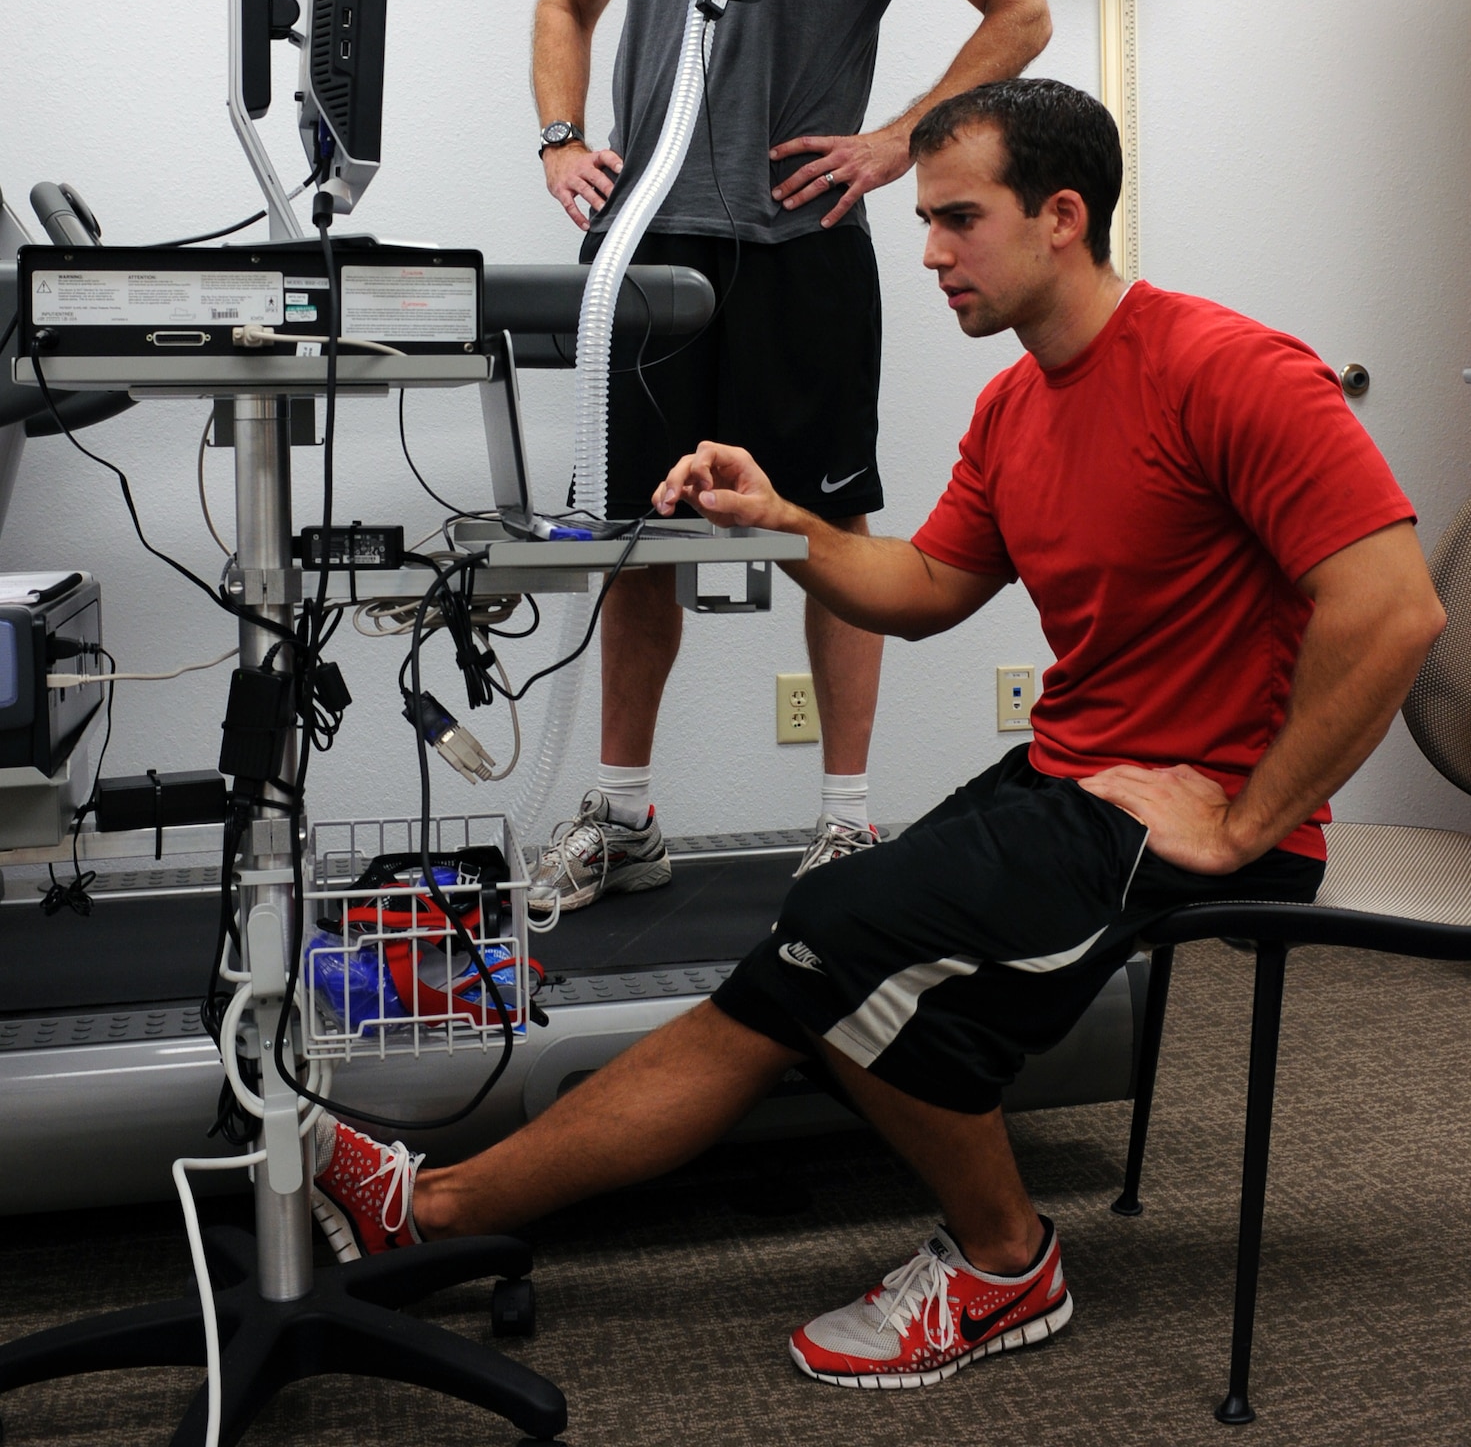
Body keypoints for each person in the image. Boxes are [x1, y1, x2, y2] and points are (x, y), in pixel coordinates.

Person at [312, 78, 1442, 1389]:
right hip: (1078, 776)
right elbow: (917, 593)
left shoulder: (1231, 371)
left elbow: (1395, 611)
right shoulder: (1016, 411)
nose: (929, 252)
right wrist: (784, 521)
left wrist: (1251, 818)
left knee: (842, 936)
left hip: (1198, 817)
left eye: (959, 220)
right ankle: (429, 1208)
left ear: (1061, 216)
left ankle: (1006, 1263)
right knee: (792, 963)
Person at [527, 0, 1052, 908]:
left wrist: (899, 143)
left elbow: (1021, 7)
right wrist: (561, 136)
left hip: (801, 242)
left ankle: (847, 819)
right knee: (640, 535)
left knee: (823, 528)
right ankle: (627, 814)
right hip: (645, 248)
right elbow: (563, 0)